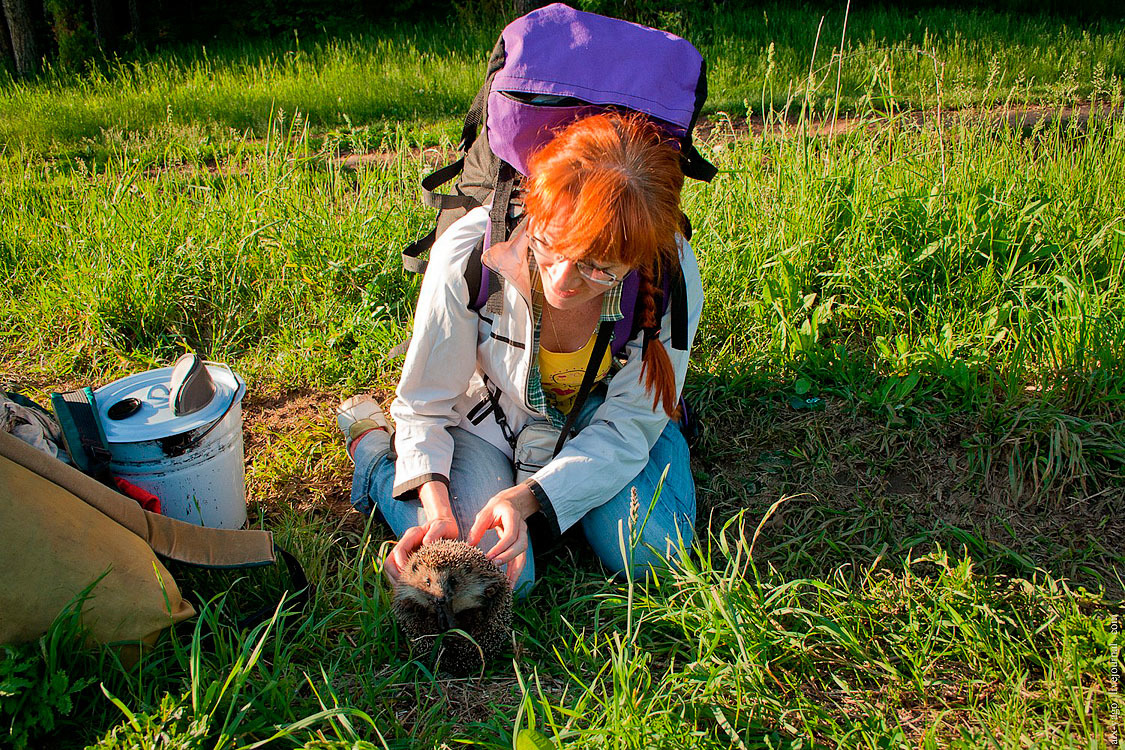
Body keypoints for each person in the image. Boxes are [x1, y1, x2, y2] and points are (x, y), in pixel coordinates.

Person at [338, 112, 703, 593]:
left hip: (598, 417)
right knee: (497, 581)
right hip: (490, 420)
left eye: (599, 269)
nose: (563, 281)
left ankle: (659, 446)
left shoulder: (670, 271)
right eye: (551, 245)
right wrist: (437, 508)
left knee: (653, 553)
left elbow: (629, 425)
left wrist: (527, 498)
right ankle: (375, 455)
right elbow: (426, 403)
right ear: (536, 203)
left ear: (635, 259)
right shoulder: (469, 252)